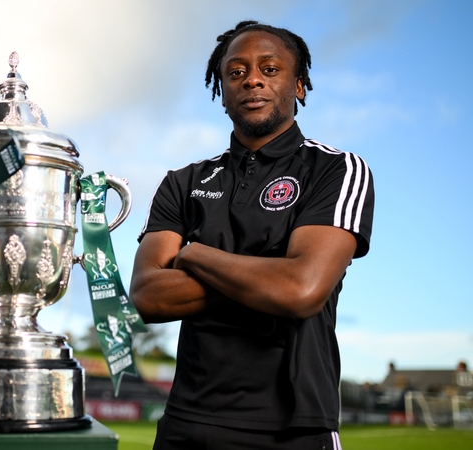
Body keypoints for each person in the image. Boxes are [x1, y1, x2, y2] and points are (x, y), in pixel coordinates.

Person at [130, 20, 374, 450]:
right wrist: (271, 269)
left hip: (293, 427)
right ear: (222, 91)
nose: (252, 79)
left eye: (270, 68)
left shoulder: (337, 170)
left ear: (299, 86)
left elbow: (301, 290)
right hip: (186, 422)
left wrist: (194, 254)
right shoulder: (182, 182)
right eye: (236, 72)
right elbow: (148, 296)